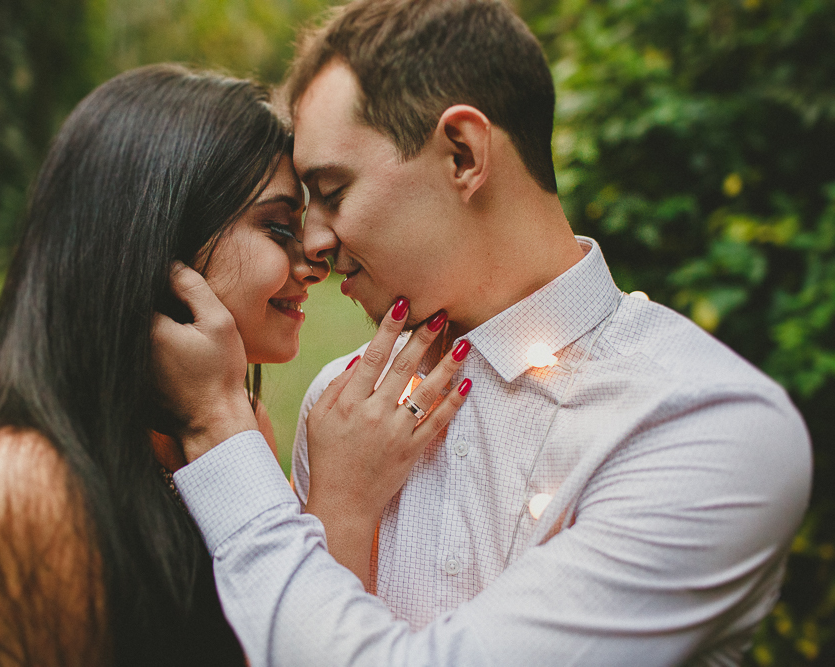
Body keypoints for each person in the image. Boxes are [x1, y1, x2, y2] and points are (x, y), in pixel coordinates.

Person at [149, 0, 814, 665]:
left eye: (333, 190)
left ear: (464, 154)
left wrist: (218, 427)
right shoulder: (348, 410)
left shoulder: (706, 424)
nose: (315, 243)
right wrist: (339, 513)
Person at [0, 63, 337, 665]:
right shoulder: (19, 490)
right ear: (161, 240)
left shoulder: (224, 432)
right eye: (278, 227)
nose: (314, 261)